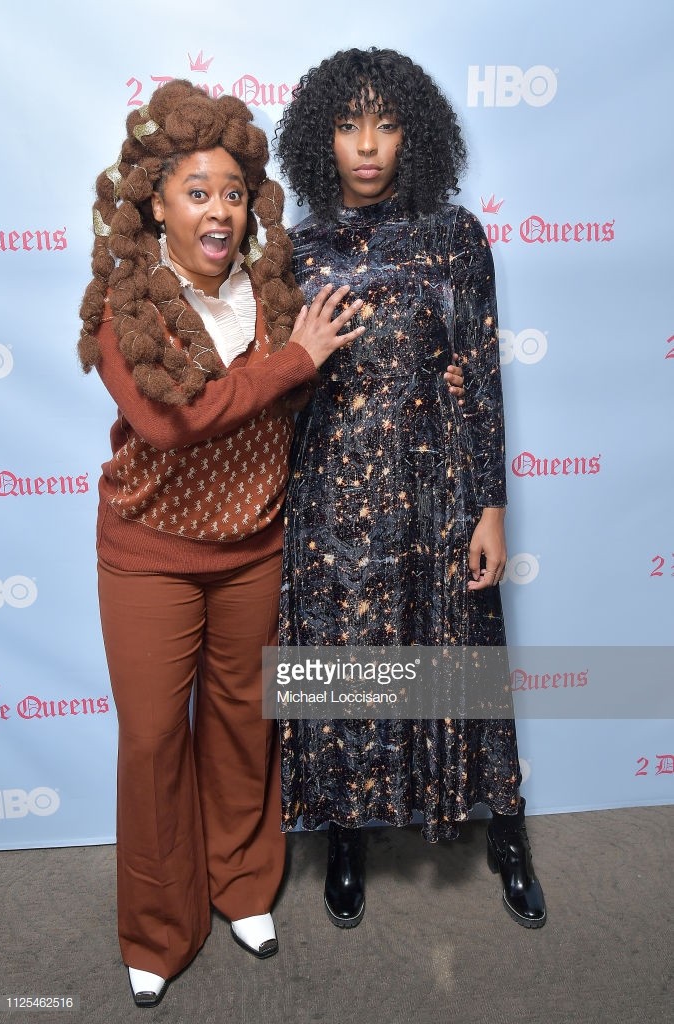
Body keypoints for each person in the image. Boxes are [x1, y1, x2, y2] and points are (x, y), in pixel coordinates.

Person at [77, 79, 370, 1007]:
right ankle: (159, 930)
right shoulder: (124, 306)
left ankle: (243, 886)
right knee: (157, 740)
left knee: (246, 725)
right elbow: (172, 424)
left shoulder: (275, 298)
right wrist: (295, 363)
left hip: (255, 549)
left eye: (233, 192)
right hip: (150, 556)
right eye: (196, 190)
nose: (218, 208)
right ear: (155, 202)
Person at [275, 48, 546, 929]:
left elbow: (480, 374)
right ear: (320, 137)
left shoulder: (454, 235)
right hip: (327, 486)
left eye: (385, 124)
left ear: (412, 135)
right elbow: (272, 378)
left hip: (434, 485)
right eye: (348, 125)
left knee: (462, 661)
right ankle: (345, 835)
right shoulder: (292, 248)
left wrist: (492, 506)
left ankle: (505, 832)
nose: (366, 145)